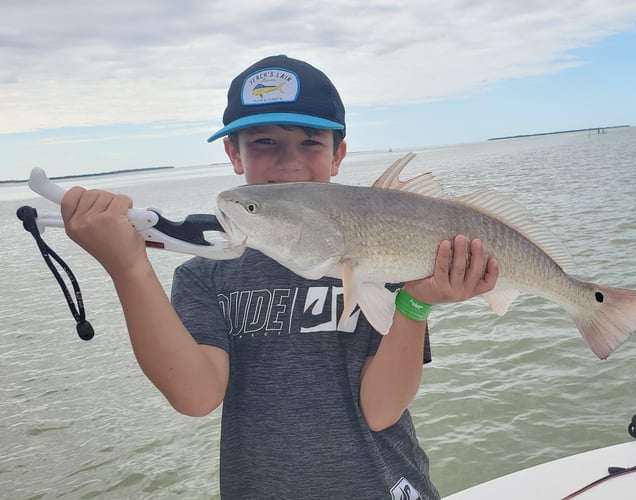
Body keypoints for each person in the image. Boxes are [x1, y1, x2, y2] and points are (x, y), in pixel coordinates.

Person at [61, 55, 499, 499]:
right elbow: (195, 396)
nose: (288, 162)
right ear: (234, 153)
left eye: (310, 142)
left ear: (338, 154)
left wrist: (416, 302)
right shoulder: (205, 276)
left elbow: (382, 409)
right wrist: (128, 268)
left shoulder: (386, 257)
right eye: (264, 141)